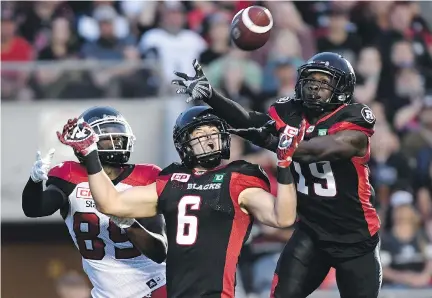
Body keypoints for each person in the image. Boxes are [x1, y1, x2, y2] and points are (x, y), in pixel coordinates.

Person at [172, 53, 382, 298]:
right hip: (312, 231)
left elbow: (324, 149)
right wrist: (211, 96)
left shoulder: (353, 118)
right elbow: (251, 120)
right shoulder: (289, 112)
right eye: (310, 79)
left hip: (356, 238)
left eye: (324, 82)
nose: (315, 86)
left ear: (342, 88)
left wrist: (274, 141)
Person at [56, 105, 305, 298]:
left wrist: (284, 167)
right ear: (184, 142)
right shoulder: (172, 180)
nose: (209, 139)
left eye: (214, 133)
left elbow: (283, 218)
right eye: (201, 133)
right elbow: (110, 204)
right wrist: (90, 156)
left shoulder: (237, 177)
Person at [22, 106, 167, 298]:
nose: (115, 141)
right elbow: (35, 209)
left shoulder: (146, 176)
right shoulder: (69, 175)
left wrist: (128, 224)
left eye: (118, 135)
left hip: (156, 287)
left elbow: (159, 252)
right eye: (106, 137)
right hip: (105, 294)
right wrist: (34, 181)